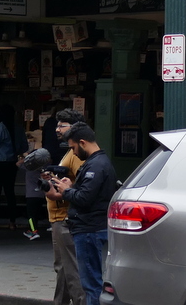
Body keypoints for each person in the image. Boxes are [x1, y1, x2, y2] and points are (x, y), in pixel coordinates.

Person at [48, 124, 118, 305]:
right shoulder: (98, 163)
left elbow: (84, 198)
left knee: (90, 284)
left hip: (88, 229)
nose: (74, 152)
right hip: (90, 227)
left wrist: (66, 190)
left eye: (73, 148)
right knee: (90, 281)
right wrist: (72, 186)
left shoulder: (96, 165)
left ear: (82, 142)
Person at [45, 108, 86, 305]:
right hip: (58, 217)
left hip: (65, 217)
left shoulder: (77, 154)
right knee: (62, 268)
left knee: (72, 271)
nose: (57, 129)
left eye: (62, 125)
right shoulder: (70, 151)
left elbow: (79, 186)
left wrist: (58, 190)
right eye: (57, 125)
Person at [0, 105, 20, 230]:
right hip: (12, 163)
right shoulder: (17, 127)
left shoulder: (0, 127)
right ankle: (12, 221)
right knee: (10, 193)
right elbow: (22, 145)